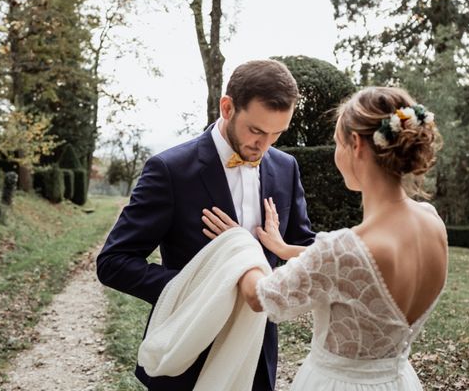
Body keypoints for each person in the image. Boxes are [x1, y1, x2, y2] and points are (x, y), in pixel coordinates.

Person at [204, 86, 447, 390]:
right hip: (397, 380)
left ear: (356, 144)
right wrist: (283, 248)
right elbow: (360, 273)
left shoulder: (342, 250)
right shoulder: (431, 221)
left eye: (336, 143)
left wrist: (238, 244)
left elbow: (260, 297)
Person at [96, 59, 315, 391]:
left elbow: (305, 247)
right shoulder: (169, 170)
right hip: (189, 345)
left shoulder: (286, 167)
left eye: (276, 134)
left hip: (256, 350)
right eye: (255, 131)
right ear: (227, 107)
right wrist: (202, 289)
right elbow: (114, 263)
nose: (264, 145)